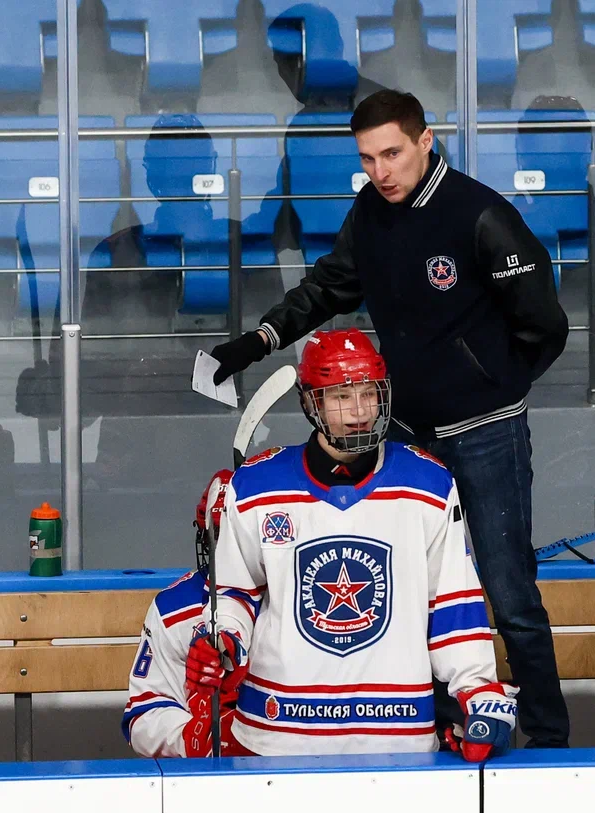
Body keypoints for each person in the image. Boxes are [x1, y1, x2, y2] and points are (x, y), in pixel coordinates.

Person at [207, 88, 570, 748]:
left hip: (486, 435)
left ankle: (547, 744)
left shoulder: (480, 213)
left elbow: (545, 324)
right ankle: (444, 732)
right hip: (402, 436)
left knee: (510, 594)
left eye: (394, 153)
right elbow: (327, 287)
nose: (382, 171)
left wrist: (492, 386)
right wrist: (257, 339)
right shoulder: (370, 213)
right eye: (369, 158)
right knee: (413, 593)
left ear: (426, 140)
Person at [187, 329, 517, 759]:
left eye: (369, 394)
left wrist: (477, 688)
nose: (360, 412)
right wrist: (221, 638)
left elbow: (453, 600)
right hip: (279, 732)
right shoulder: (256, 484)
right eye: (342, 396)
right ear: (310, 402)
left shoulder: (428, 483)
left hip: (397, 733)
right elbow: (234, 591)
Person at [123, 470, 250, 758]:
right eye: (220, 535)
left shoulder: (306, 600)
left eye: (242, 537)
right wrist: (192, 736)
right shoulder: (174, 608)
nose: (231, 549)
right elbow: (144, 713)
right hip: (207, 778)